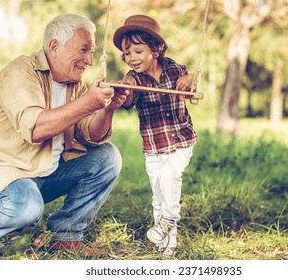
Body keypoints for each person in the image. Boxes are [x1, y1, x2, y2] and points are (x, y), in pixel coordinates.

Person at [0, 13, 129, 259]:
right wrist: (86, 103)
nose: (90, 61)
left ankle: (66, 235)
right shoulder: (20, 72)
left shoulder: (74, 84)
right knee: (26, 205)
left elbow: (91, 135)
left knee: (107, 156)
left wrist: (108, 108)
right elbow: (36, 129)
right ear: (54, 47)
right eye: (83, 50)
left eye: (91, 52)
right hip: (3, 172)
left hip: (43, 173)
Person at [112, 14, 198, 258]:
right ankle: (167, 247)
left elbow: (191, 84)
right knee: (158, 195)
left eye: (138, 51)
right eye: (127, 54)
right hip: (153, 145)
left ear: (156, 49)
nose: (132, 58)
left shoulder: (175, 69)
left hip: (181, 140)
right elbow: (128, 100)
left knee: (171, 176)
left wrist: (190, 80)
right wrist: (124, 90)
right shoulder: (135, 79)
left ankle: (168, 221)